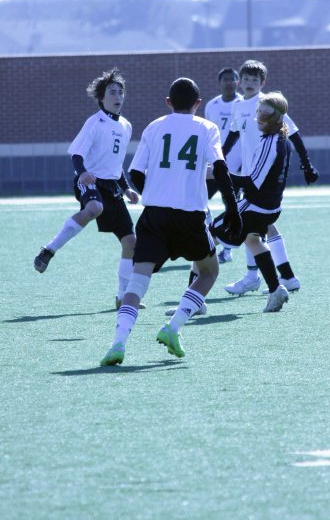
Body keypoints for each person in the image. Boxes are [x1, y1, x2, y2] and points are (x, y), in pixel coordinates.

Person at [100, 77, 242, 366]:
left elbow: (136, 175)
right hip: (190, 215)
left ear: (168, 102)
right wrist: (233, 210)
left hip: (154, 216)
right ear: (198, 104)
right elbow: (221, 169)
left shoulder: (155, 126)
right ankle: (173, 327)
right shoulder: (207, 127)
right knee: (208, 272)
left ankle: (119, 341)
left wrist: (159, 186)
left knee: (137, 284)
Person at [33, 68, 141, 310]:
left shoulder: (126, 126)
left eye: (120, 92)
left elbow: (116, 164)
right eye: (112, 92)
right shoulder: (95, 122)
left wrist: (126, 189)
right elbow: (77, 153)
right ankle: (49, 250)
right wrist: (82, 173)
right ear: (101, 98)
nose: (117, 96)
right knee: (94, 207)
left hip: (112, 186)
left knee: (130, 242)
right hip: (90, 181)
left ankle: (122, 297)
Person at [222, 59, 319, 297]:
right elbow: (234, 134)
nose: (249, 84)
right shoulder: (238, 106)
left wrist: (306, 164)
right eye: (245, 79)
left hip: (262, 175)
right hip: (248, 173)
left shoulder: (268, 104)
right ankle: (285, 276)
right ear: (239, 81)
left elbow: (293, 134)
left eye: (255, 80)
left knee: (248, 225)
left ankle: (256, 277)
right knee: (261, 226)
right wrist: (220, 159)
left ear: (262, 83)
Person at [211, 91, 292, 312]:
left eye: (264, 112)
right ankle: (276, 290)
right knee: (253, 240)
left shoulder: (272, 142)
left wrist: (218, 174)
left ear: (276, 117)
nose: (258, 116)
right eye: (258, 111)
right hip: (270, 207)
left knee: (209, 236)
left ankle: (193, 301)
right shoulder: (280, 140)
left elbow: (252, 182)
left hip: (256, 206)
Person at [204, 66, 243, 264]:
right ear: (219, 83)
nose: (229, 83)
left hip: (237, 168)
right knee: (201, 199)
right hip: (214, 164)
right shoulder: (212, 105)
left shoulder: (244, 104)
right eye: (225, 79)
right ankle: (208, 236)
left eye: (232, 79)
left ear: (238, 82)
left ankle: (227, 249)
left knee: (232, 205)